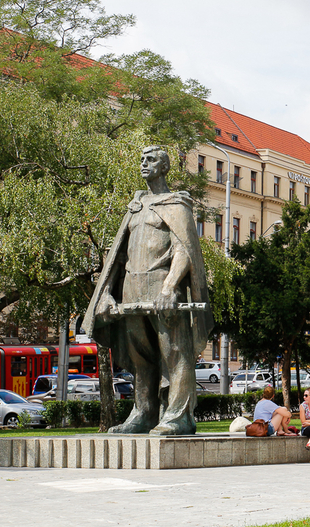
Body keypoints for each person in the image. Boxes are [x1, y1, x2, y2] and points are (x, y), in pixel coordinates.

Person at [82, 146, 213, 434]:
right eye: (142, 160)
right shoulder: (136, 207)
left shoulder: (177, 205)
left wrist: (169, 287)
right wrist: (105, 293)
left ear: (165, 167)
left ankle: (178, 417)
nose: (144, 164)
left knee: (175, 354)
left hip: (162, 291)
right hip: (132, 289)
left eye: (151, 160)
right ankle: (143, 413)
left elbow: (185, 251)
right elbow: (116, 256)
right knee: (141, 358)